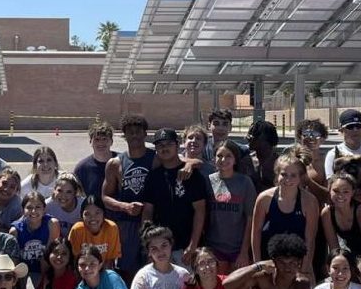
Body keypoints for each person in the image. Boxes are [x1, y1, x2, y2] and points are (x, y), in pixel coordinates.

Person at [102, 114, 156, 280]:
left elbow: (180, 160)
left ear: (145, 133)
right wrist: (124, 206)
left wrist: (191, 163)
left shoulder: (156, 158)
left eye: (138, 131)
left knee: (152, 269)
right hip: (127, 226)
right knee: (128, 272)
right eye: (130, 132)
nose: (134, 135)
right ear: (124, 135)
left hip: (154, 222)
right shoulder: (115, 163)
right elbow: (105, 197)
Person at [142, 128, 207, 265]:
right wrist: (149, 244)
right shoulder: (153, 177)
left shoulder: (191, 175)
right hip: (161, 248)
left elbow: (200, 211)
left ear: (177, 145)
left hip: (186, 248)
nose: (164, 148)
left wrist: (193, 245)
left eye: (169, 144)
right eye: (160, 145)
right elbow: (148, 211)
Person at [251, 152, 318, 272]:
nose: (288, 179)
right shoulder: (264, 199)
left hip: (297, 264)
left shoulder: (310, 202)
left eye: (293, 175)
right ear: (277, 175)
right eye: (284, 174)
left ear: (300, 177)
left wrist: (304, 270)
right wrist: (258, 265)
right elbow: (256, 234)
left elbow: (310, 239)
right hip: (269, 264)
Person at [204, 140, 257, 273]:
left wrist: (244, 251)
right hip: (214, 247)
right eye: (220, 155)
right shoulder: (208, 181)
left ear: (235, 160)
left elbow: (251, 218)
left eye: (228, 156)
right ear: (214, 158)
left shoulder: (245, 182)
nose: (223, 159)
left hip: (238, 248)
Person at [10, 191, 62, 289]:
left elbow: (50, 255)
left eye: (38, 207)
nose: (33, 211)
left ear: (44, 209)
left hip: (44, 268)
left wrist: (44, 283)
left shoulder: (52, 224)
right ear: (23, 210)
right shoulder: (15, 231)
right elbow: (15, 262)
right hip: (23, 269)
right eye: (29, 207)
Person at [321, 172, 361, 260]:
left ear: (353, 192)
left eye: (346, 191)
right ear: (329, 190)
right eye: (336, 191)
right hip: (354, 255)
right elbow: (334, 250)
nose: (340, 195)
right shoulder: (327, 213)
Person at [73, 122, 116, 202]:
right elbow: (77, 196)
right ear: (90, 142)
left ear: (111, 141)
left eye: (104, 139)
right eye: (97, 139)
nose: (101, 143)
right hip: (93, 213)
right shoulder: (82, 168)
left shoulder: (123, 162)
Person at [203, 109, 254, 175]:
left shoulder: (241, 151)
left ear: (230, 127)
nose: (220, 128)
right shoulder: (202, 148)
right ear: (209, 126)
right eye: (216, 124)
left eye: (225, 124)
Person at [45, 172, 85, 237]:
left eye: (68, 192)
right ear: (54, 190)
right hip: (55, 242)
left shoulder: (84, 206)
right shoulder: (47, 205)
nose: (63, 196)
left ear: (75, 193)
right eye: (60, 191)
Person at [246, 119, 279, 193]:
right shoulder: (246, 161)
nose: (248, 138)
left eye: (253, 135)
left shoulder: (280, 163)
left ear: (266, 139)